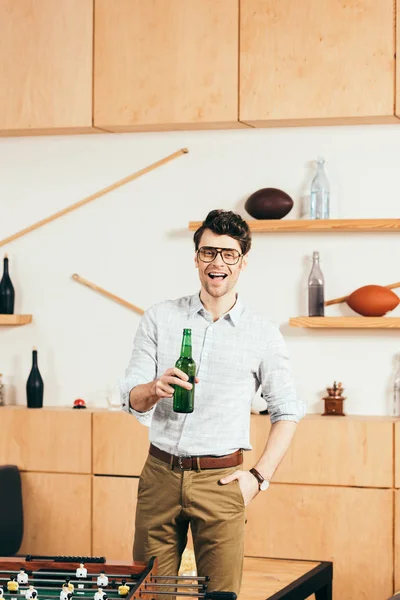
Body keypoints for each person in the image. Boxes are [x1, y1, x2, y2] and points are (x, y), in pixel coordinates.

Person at [120, 209, 305, 596]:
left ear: (242, 262)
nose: (217, 262)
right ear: (196, 258)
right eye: (208, 253)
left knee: (219, 595)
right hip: (160, 475)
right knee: (151, 594)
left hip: (221, 481)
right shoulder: (160, 318)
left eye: (228, 254)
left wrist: (258, 479)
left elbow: (287, 410)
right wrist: (154, 388)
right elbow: (132, 399)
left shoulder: (262, 333)